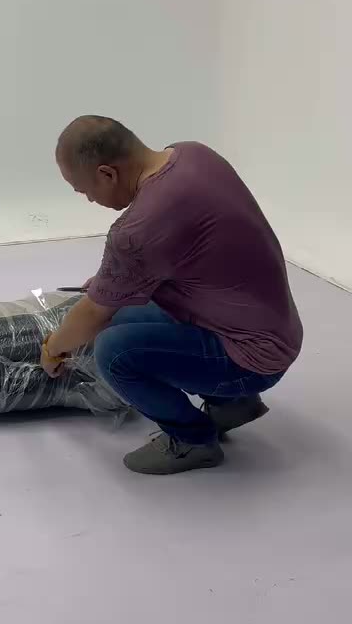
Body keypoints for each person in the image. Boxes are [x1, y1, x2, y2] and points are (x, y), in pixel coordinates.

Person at [40, 116, 303, 475]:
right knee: (123, 315)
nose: (89, 199)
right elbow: (183, 250)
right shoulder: (193, 155)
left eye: (84, 190)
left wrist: (53, 349)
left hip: (251, 358)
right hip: (273, 328)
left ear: (107, 173)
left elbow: (93, 314)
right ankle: (233, 404)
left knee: (114, 351)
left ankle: (193, 441)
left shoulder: (139, 228)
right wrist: (113, 280)